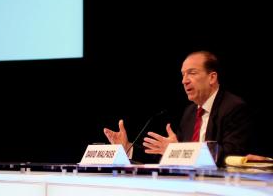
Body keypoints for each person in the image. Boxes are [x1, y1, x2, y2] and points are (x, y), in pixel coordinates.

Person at [104, 50, 254, 164]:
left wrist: (180, 150)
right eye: (183, 75)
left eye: (192, 73)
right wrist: (128, 148)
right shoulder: (190, 113)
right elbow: (167, 154)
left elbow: (232, 157)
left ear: (212, 77)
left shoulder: (234, 108)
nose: (184, 81)